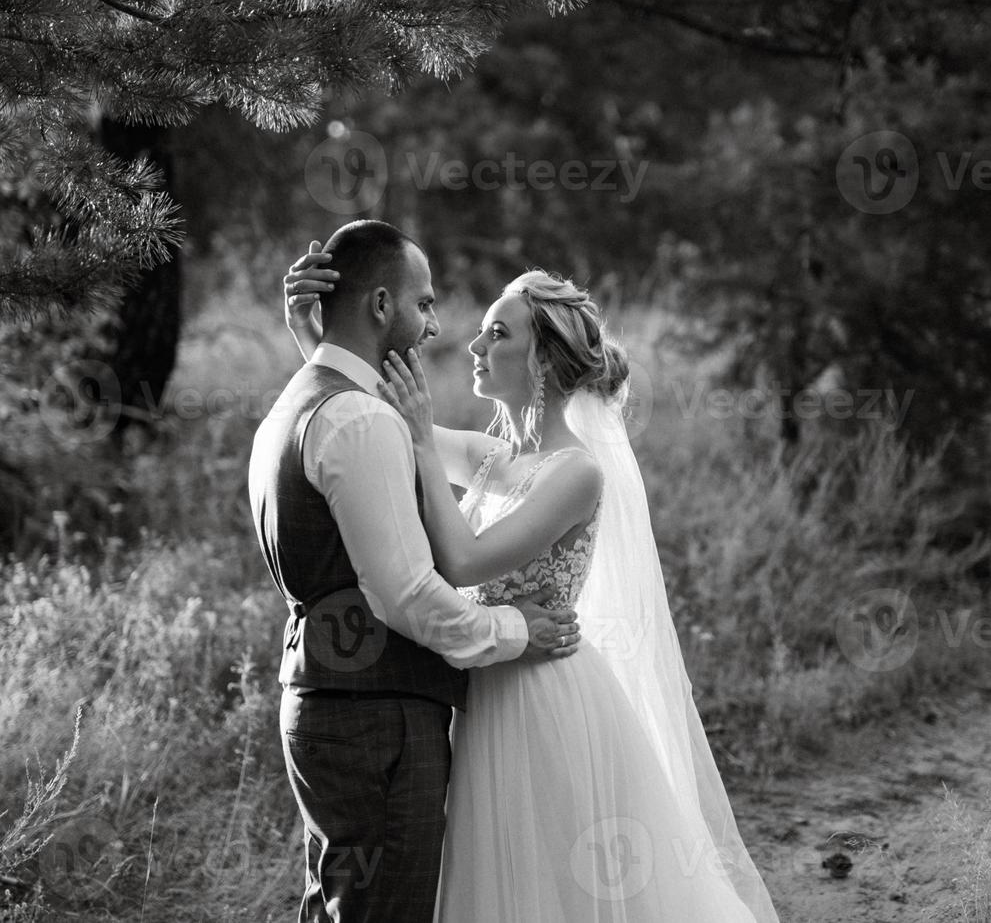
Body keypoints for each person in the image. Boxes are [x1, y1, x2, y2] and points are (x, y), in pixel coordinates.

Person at [283, 256, 782, 922]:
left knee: (550, 875)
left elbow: (463, 562)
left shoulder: (576, 473)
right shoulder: (494, 460)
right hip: (487, 684)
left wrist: (427, 452)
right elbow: (373, 424)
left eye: (497, 334)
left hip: (544, 694)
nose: (475, 346)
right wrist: (312, 337)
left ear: (542, 360)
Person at [248, 219, 582, 923]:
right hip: (377, 718)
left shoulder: (299, 404)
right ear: (379, 307)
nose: (437, 327)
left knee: (344, 907)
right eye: (424, 304)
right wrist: (517, 629)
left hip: (327, 699)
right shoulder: (359, 422)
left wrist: (314, 337)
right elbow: (406, 594)